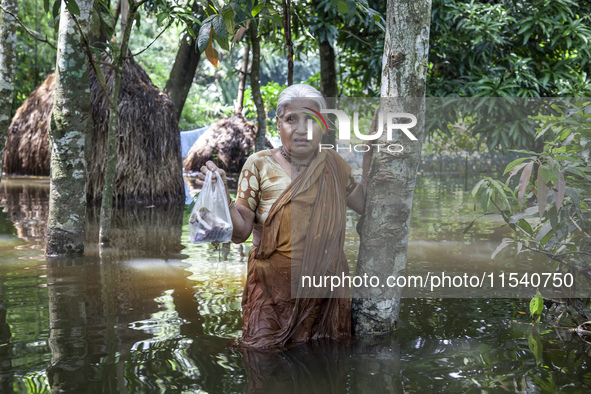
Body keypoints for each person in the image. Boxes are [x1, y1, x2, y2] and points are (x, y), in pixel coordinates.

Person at [196, 84, 369, 348]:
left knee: (323, 362)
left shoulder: (333, 164)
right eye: (291, 119)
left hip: (325, 293)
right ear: (279, 125)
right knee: (263, 362)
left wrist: (374, 153)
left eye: (312, 119)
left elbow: (364, 204)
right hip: (272, 293)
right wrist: (223, 194)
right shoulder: (259, 164)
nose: (302, 129)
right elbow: (240, 232)